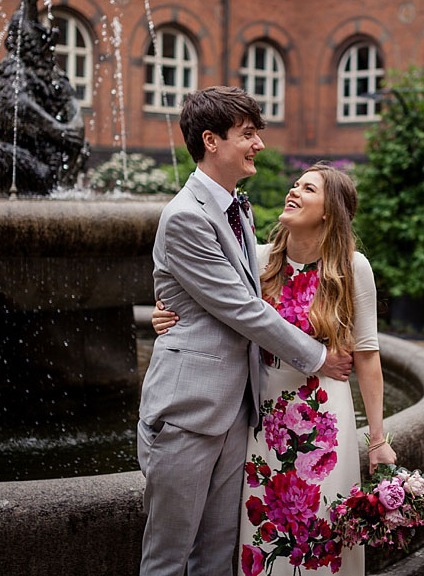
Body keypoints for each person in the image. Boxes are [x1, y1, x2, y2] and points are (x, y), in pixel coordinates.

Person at [138, 87, 354, 576]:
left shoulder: (240, 209)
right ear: (211, 141)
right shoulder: (186, 217)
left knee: (216, 557)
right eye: (248, 134)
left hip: (239, 410)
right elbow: (242, 308)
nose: (259, 144)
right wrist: (318, 358)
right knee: (168, 561)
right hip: (188, 413)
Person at [152, 162, 397, 576]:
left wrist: (377, 440)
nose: (294, 191)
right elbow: (217, 306)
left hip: (325, 428)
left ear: (328, 210)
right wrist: (168, 317)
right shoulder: (259, 260)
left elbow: (367, 356)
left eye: (308, 189)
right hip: (262, 424)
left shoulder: (355, 268)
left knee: (322, 539)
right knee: (265, 542)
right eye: (295, 184)